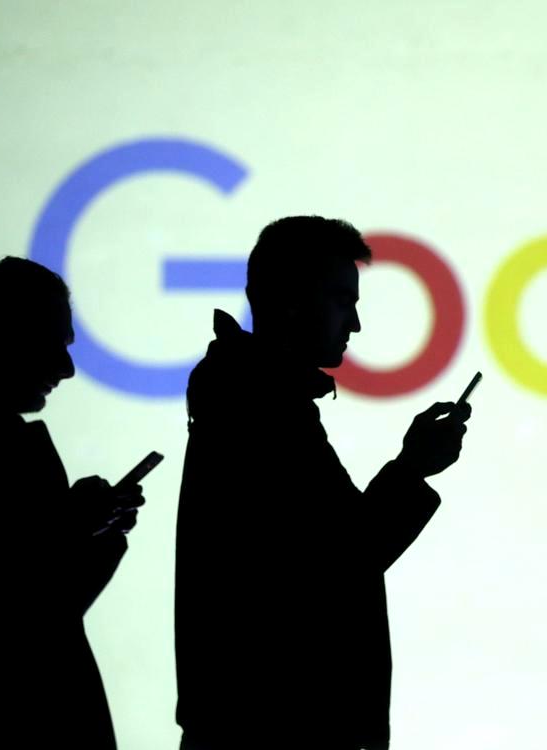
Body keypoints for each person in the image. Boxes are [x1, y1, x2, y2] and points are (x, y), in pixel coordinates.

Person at [175, 216, 472, 749]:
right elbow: (340, 560)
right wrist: (411, 470)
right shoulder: (260, 409)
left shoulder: (248, 397)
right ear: (290, 301)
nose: (353, 325)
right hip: (277, 726)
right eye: (341, 301)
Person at [0, 257, 143, 748]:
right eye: (54, 344)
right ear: (0, 338)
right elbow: (22, 622)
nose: (66, 369)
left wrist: (81, 531)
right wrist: (77, 532)